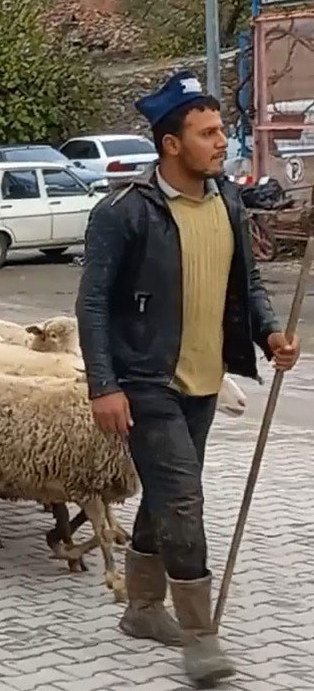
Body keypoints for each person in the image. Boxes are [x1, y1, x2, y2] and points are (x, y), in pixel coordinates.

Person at [77, 70, 300, 688]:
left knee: (167, 491)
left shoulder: (227, 200)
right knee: (183, 499)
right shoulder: (123, 213)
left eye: (220, 130)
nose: (220, 141)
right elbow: (91, 304)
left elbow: (245, 286)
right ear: (171, 144)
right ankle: (200, 636)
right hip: (146, 381)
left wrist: (270, 335)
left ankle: (143, 608)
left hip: (204, 379)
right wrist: (104, 385)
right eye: (207, 133)